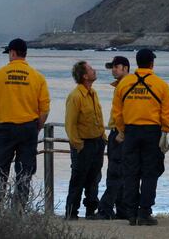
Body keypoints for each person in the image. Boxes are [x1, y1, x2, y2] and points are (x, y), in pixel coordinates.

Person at [111, 48, 169, 226]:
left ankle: (131, 213)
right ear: (152, 64)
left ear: (137, 63)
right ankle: (145, 212)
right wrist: (165, 132)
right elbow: (167, 111)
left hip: (131, 132)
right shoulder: (161, 85)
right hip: (152, 133)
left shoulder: (124, 84)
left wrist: (122, 130)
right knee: (150, 173)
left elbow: (117, 111)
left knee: (130, 173)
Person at [0, 38, 50, 205]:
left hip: (4, 128)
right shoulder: (38, 77)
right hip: (29, 128)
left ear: (12, 53)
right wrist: (37, 128)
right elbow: (44, 109)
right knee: (24, 174)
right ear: (25, 54)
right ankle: (19, 211)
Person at [64, 61, 106, 220]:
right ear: (84, 75)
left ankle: (91, 211)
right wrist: (77, 144)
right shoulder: (75, 96)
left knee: (94, 177)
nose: (94, 70)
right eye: (90, 69)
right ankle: (71, 212)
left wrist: (103, 137)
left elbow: (97, 117)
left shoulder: (93, 93)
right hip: (83, 144)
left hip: (97, 142)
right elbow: (70, 123)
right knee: (78, 178)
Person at [96, 56, 131, 220]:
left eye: (116, 67)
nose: (113, 70)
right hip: (123, 132)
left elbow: (123, 112)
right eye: (112, 67)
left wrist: (121, 132)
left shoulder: (124, 86)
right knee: (122, 172)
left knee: (114, 172)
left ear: (125, 68)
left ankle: (106, 209)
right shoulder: (125, 85)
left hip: (119, 132)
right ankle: (123, 208)